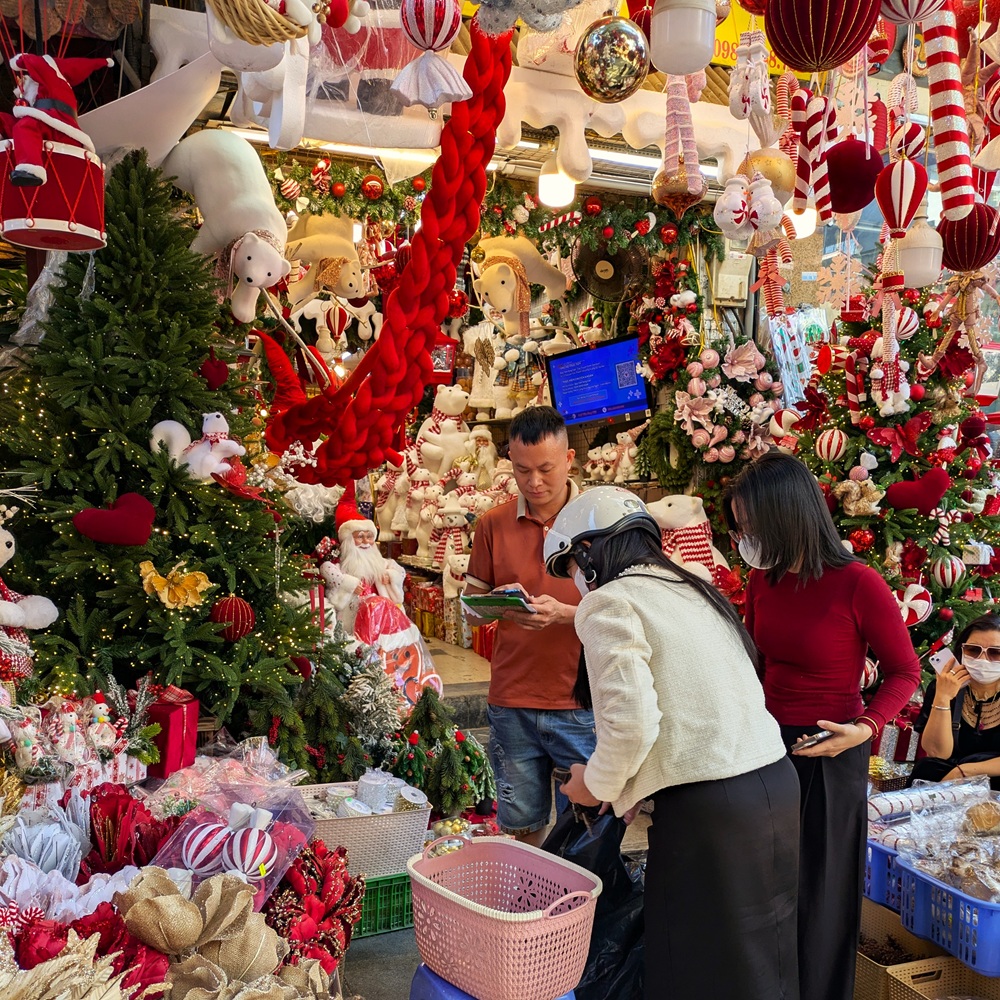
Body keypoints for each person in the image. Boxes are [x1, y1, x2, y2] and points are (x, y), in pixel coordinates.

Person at [545, 486, 800, 1000]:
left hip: (710, 811)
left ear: (591, 552)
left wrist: (593, 787)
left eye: (571, 562)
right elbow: (697, 704)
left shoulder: (609, 601)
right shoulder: (693, 586)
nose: (574, 579)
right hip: (773, 787)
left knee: (692, 963)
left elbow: (633, 724)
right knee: (760, 958)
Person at [724, 451, 921, 1000]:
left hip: (833, 748)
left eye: (751, 526)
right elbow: (756, 663)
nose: (745, 539)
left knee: (823, 894)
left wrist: (866, 727)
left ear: (787, 515)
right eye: (739, 528)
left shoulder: (857, 583)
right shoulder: (764, 580)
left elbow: (905, 671)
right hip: (765, 750)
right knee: (765, 891)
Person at [463, 405, 593, 845]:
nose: (534, 482)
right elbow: (470, 605)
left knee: (589, 822)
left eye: (545, 469)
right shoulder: (492, 524)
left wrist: (568, 615)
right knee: (522, 821)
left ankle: (581, 909)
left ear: (570, 460)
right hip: (512, 696)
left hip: (583, 699)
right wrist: (497, 608)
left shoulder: (603, 521)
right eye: (522, 471)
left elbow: (630, 609)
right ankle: (530, 904)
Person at [911, 613, 1000, 790]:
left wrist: (965, 772)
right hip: (949, 783)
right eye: (973, 650)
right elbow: (937, 753)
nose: (983, 660)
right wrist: (943, 698)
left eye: (995, 653)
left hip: (992, 778)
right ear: (961, 651)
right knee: (927, 769)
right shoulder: (943, 687)